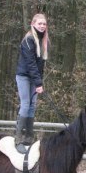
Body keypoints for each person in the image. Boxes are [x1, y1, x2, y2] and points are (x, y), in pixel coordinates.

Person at [15, 13, 49, 153]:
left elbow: (40, 66)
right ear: (33, 24)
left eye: (44, 24)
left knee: (32, 106)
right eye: (39, 23)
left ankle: (29, 138)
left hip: (34, 78)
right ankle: (18, 140)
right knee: (25, 104)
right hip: (24, 76)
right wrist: (38, 83)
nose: (42, 26)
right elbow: (30, 64)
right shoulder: (29, 40)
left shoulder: (43, 41)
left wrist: (38, 82)